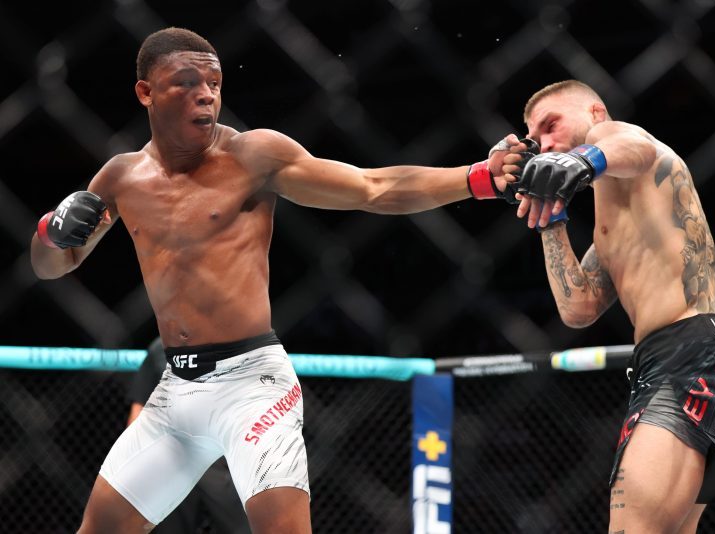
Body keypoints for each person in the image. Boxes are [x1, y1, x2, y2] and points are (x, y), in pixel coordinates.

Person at [29, 27, 530, 534]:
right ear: (146, 92)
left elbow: (371, 186)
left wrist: (476, 178)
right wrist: (51, 232)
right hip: (175, 390)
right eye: (186, 82)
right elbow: (54, 265)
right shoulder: (120, 178)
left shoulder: (252, 156)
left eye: (214, 83)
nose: (206, 94)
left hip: (252, 385)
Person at [506, 79, 715, 533]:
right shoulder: (616, 213)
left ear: (595, 111)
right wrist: (550, 221)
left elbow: (635, 147)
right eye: (534, 138)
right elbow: (578, 309)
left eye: (551, 124)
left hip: (688, 358)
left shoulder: (616, 137)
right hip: (668, 361)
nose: (543, 143)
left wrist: (581, 159)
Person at [127, 337, 249, 534]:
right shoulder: (160, 349)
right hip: (171, 458)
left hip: (219, 458)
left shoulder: (234, 345)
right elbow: (138, 414)